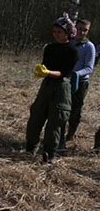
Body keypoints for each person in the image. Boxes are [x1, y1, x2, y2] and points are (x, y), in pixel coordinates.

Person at [25, 13, 78, 163]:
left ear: (68, 34)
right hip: (46, 86)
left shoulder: (72, 51)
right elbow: (46, 64)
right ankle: (30, 149)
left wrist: (48, 72)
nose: (56, 35)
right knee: (35, 117)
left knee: (55, 123)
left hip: (61, 89)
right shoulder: (50, 48)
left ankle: (48, 155)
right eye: (54, 32)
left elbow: (65, 72)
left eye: (59, 32)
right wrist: (41, 70)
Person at [58, 18, 95, 150]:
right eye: (79, 29)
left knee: (75, 111)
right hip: (65, 80)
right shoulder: (69, 42)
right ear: (75, 28)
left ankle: (71, 134)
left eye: (85, 30)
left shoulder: (89, 46)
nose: (81, 32)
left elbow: (89, 67)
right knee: (62, 109)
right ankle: (59, 137)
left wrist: (76, 74)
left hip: (80, 83)